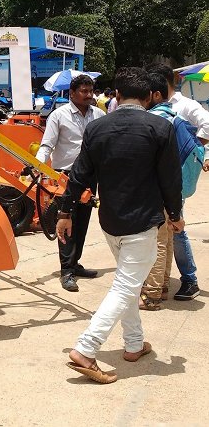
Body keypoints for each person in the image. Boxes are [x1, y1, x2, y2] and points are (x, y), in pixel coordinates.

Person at [60, 67, 184, 384]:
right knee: (126, 287)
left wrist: (65, 212)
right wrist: (175, 213)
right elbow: (170, 179)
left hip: (110, 222)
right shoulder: (160, 127)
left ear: (116, 95)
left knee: (127, 285)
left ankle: (133, 344)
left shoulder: (97, 128)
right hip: (142, 223)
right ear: (149, 98)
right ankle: (86, 350)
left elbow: (79, 175)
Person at [35, 75, 105, 291]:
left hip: (90, 176)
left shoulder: (99, 115)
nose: (88, 95)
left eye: (90, 91)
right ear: (72, 93)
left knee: (82, 221)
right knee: (66, 221)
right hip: (65, 176)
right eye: (83, 91)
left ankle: (75, 264)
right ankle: (66, 271)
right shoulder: (59, 115)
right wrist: (37, 166)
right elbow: (47, 145)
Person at [146, 63, 209, 300]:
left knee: (176, 225)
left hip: (174, 177)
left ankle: (190, 279)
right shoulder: (160, 106)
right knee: (168, 228)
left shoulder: (185, 106)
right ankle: (162, 281)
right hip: (161, 177)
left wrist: (189, 148)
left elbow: (208, 125)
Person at [138, 73, 182, 310]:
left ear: (154, 95)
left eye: (144, 97)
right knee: (166, 238)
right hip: (172, 187)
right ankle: (163, 285)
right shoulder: (174, 115)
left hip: (156, 188)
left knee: (156, 241)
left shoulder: (155, 120)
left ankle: (153, 294)